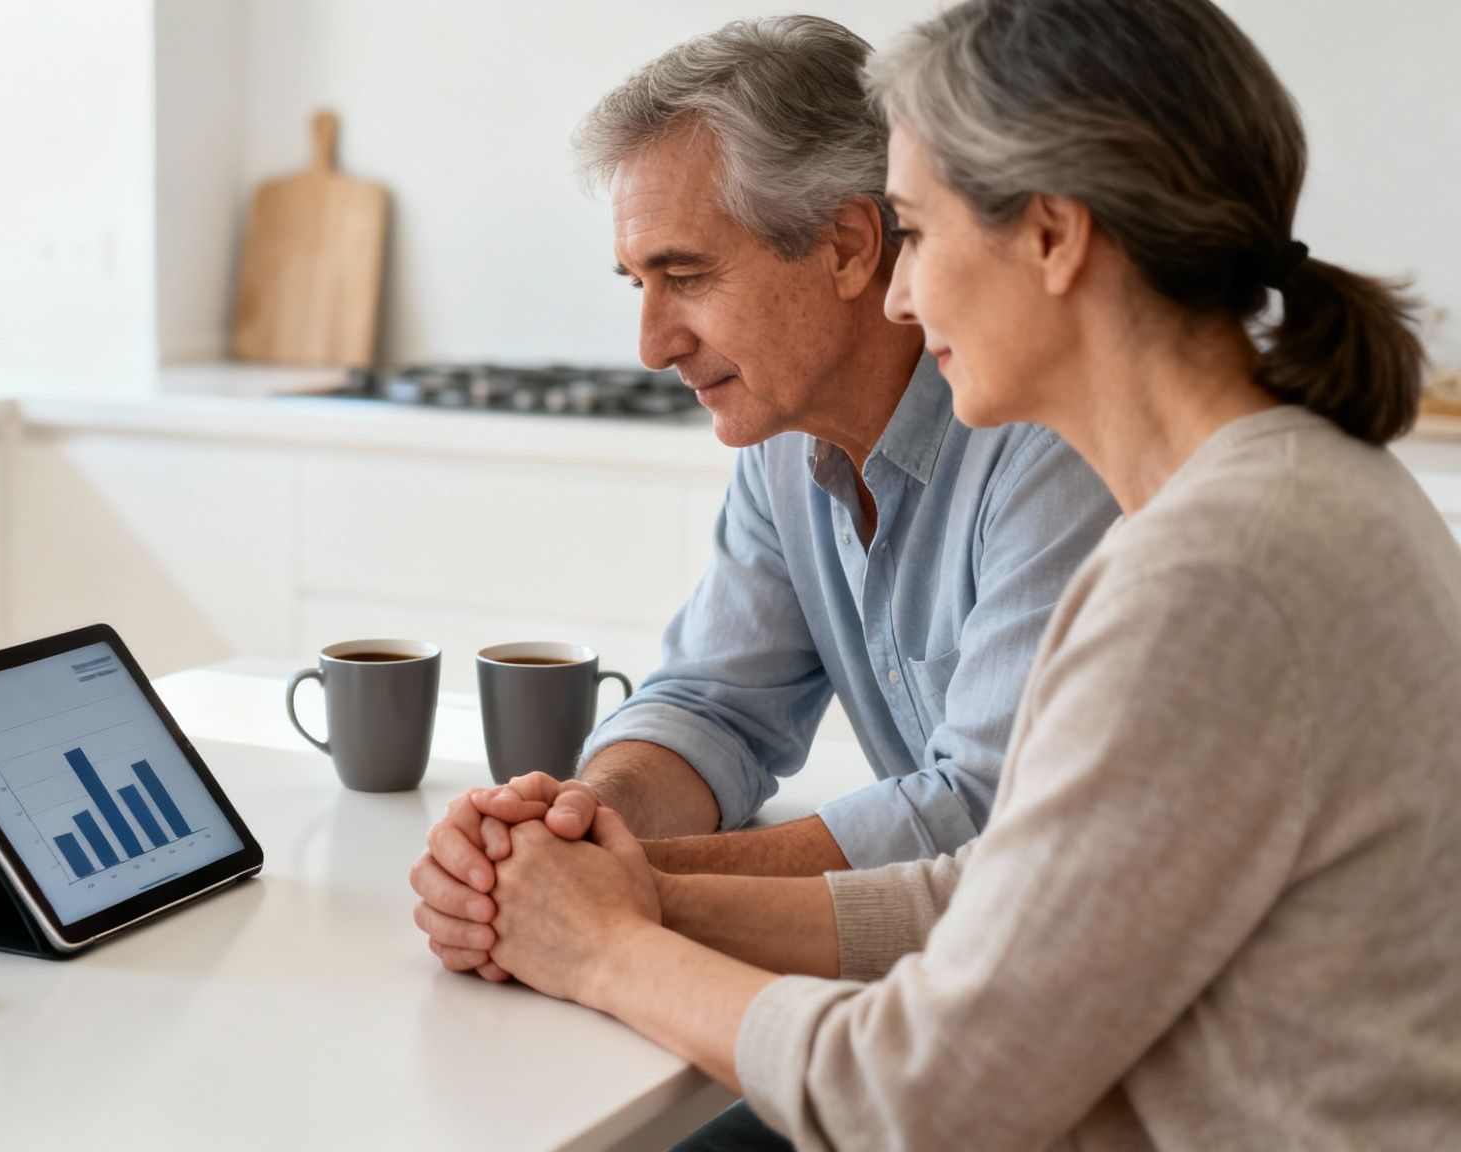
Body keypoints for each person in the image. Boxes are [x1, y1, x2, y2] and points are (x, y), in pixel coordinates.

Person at [472, 0, 1461, 1147]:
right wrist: (630, 889)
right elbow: (992, 891)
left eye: (918, 233)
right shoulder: (1265, 501)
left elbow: (921, 1098)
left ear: (1051, 236)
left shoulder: (1217, 574)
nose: (898, 291)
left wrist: (606, 948)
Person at [410, 16, 1118, 983]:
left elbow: (987, 814)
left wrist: (620, 889)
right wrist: (574, 822)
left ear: (847, 246)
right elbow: (714, 710)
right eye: (638, 284)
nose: (652, 344)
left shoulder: (1052, 436)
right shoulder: (787, 434)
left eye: (686, 276)